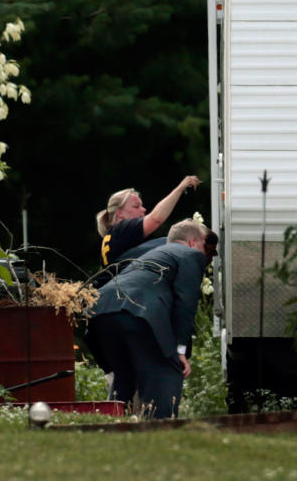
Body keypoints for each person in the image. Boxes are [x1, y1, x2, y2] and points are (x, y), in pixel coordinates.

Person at [85, 219, 208, 419]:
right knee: (165, 374)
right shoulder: (190, 254)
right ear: (194, 242)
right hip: (138, 311)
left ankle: (111, 426)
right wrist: (180, 350)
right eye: (204, 246)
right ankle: (161, 432)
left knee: (124, 377)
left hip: (101, 312)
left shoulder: (149, 255)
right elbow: (186, 302)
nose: (205, 252)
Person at [95, 175, 201, 271]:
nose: (144, 209)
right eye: (136, 206)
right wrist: (181, 188)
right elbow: (155, 219)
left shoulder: (113, 235)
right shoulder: (122, 228)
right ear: (119, 213)